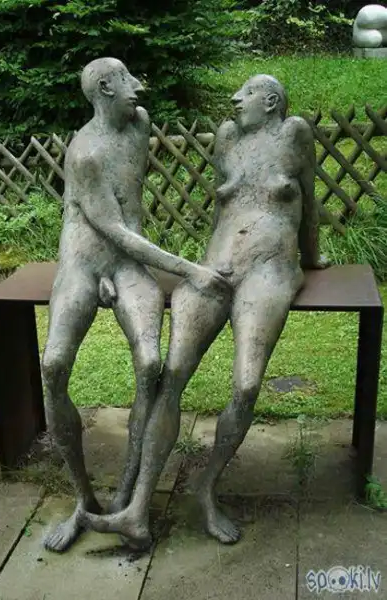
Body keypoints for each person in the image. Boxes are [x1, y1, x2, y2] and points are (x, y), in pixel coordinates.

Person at [80, 74, 328, 547]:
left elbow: (309, 204)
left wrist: (311, 258)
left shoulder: (294, 133)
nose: (235, 99)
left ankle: (206, 487)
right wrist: (204, 265)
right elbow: (222, 213)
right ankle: (136, 510)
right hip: (214, 268)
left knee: (247, 384)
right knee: (171, 375)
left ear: (271, 101)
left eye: (246, 93)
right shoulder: (228, 137)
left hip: (270, 271)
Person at [42, 57, 229, 553]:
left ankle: (126, 497)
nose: (138, 86)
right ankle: (83, 500)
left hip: (127, 265)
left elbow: (130, 221)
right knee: (54, 365)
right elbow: (110, 227)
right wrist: (191, 270)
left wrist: (123, 272)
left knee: (150, 365)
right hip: (83, 263)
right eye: (127, 79)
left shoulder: (139, 124)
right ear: (106, 87)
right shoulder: (84, 153)